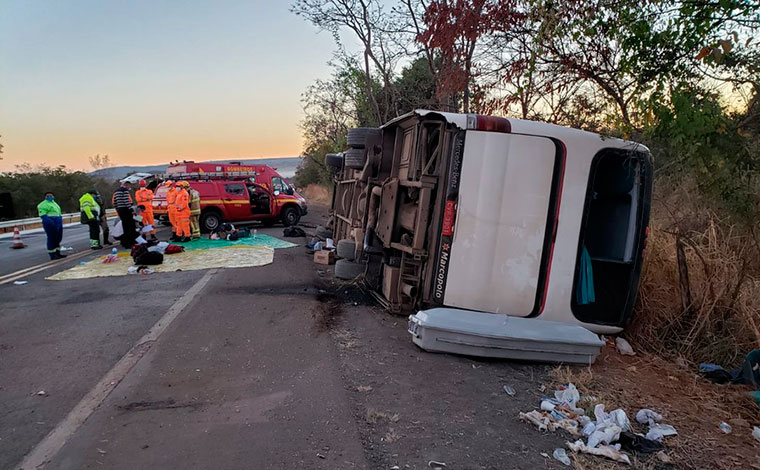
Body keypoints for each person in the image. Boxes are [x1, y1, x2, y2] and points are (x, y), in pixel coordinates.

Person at [37, 192, 66, 260]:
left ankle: (57, 252)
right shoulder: (42, 205)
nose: (50, 197)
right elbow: (43, 215)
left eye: (51, 195)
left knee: (58, 237)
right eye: (48, 196)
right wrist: (50, 222)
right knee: (51, 238)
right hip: (50, 221)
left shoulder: (54, 203)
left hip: (57, 221)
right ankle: (52, 254)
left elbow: (58, 212)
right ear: (45, 197)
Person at [112, 180, 136, 248]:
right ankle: (130, 242)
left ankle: (124, 242)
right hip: (126, 210)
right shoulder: (125, 191)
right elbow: (126, 202)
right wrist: (131, 210)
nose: (129, 187)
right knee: (130, 226)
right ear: (126, 185)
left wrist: (118, 210)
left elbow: (115, 203)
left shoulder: (116, 192)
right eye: (129, 186)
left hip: (120, 210)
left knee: (124, 226)